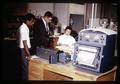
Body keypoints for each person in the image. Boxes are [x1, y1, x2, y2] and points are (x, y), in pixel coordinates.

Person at [17, 13, 35, 80]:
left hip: (24, 50)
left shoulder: (24, 27)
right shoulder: (23, 29)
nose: (33, 23)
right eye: (32, 21)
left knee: (25, 68)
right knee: (25, 69)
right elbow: (25, 44)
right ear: (27, 21)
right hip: (25, 51)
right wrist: (29, 54)